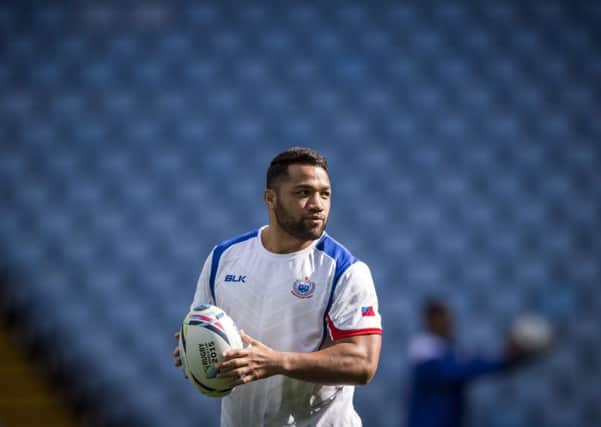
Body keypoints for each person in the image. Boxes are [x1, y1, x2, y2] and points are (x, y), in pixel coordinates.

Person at [173, 147, 382, 427]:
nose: (317, 204)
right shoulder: (224, 258)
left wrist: (276, 362)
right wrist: (193, 348)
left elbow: (363, 363)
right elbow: (206, 326)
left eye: (325, 194)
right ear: (270, 198)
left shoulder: (345, 271)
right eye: (303, 192)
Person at [406, 298, 532, 427]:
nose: (447, 323)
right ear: (430, 321)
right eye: (442, 319)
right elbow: (453, 372)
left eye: (448, 319)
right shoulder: (423, 350)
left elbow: (476, 364)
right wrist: (504, 361)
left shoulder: (450, 350)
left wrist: (507, 360)